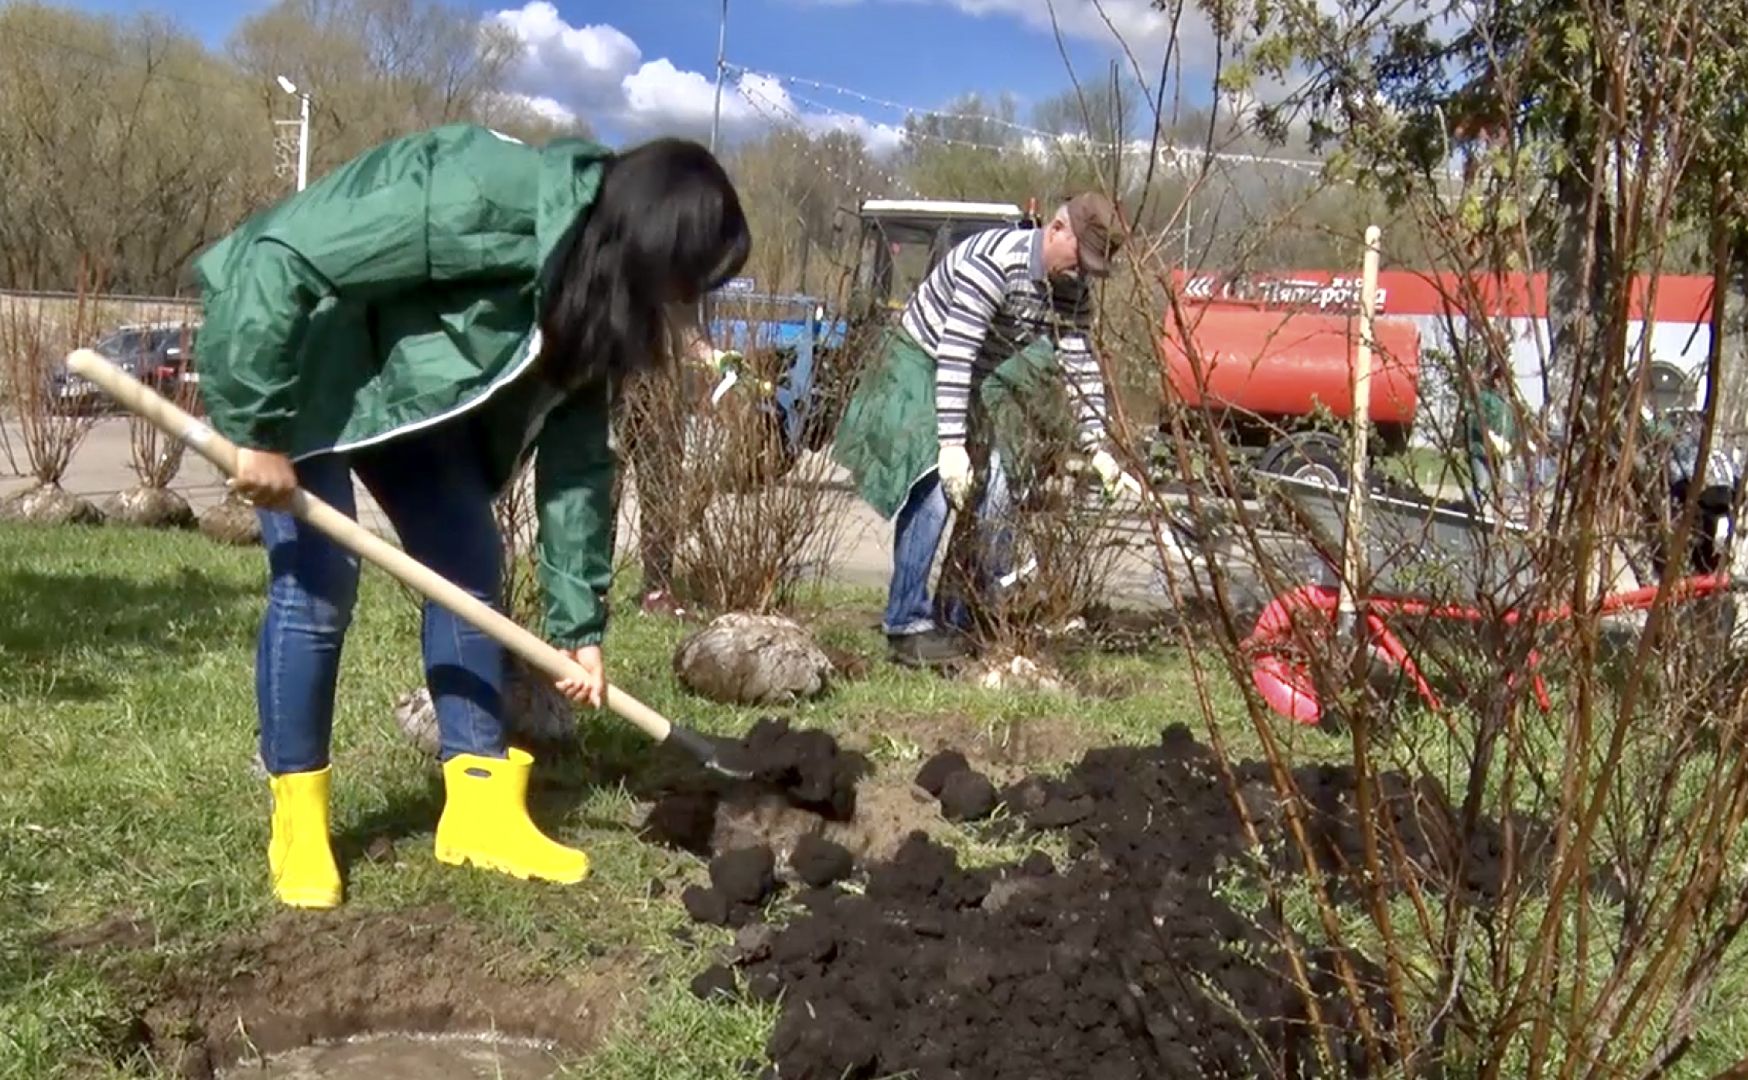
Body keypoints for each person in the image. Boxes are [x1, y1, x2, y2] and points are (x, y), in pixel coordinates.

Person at [193, 123, 749, 909]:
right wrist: (255, 427)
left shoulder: (597, 297)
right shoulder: (485, 190)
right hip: (308, 361)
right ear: (651, 247)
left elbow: (579, 465)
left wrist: (577, 630)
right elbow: (285, 255)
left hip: (408, 399)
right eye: (688, 280)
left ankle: (479, 811)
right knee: (319, 584)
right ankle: (299, 820)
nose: (688, 304)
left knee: (467, 568)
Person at [831, 193, 1142, 667]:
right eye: (1081, 257)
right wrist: (952, 447)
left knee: (996, 491)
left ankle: (960, 616)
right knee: (935, 485)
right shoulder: (992, 265)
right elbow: (956, 353)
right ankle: (906, 625)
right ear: (1056, 231)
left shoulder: (1072, 289)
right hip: (924, 357)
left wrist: (1097, 447)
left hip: (981, 372)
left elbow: (1080, 366)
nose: (1082, 272)